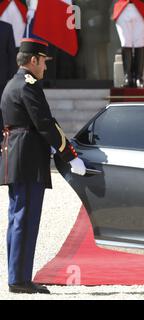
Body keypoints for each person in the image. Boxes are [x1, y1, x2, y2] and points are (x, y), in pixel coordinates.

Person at [0, 38, 87, 294]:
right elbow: (45, 123)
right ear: (34, 60)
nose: (45, 68)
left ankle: (18, 275)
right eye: (44, 62)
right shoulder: (28, 85)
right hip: (27, 159)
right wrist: (69, 155)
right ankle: (20, 280)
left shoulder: (13, 83)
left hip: (19, 156)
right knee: (25, 219)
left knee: (18, 218)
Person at [112, 0, 144, 88]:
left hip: (141, 7)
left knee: (139, 43)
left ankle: (139, 77)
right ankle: (128, 77)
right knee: (125, 42)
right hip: (122, 7)